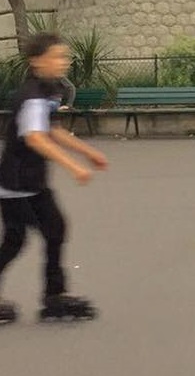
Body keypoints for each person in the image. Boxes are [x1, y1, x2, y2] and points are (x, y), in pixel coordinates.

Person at [0, 33, 108, 324]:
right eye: (57, 57)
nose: (64, 62)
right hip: (17, 184)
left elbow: (53, 130)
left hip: (31, 182)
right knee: (26, 237)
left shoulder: (51, 89)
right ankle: (54, 296)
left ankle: (54, 296)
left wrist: (88, 153)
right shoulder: (32, 96)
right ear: (37, 61)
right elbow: (36, 138)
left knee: (40, 233)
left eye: (65, 56)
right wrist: (74, 167)